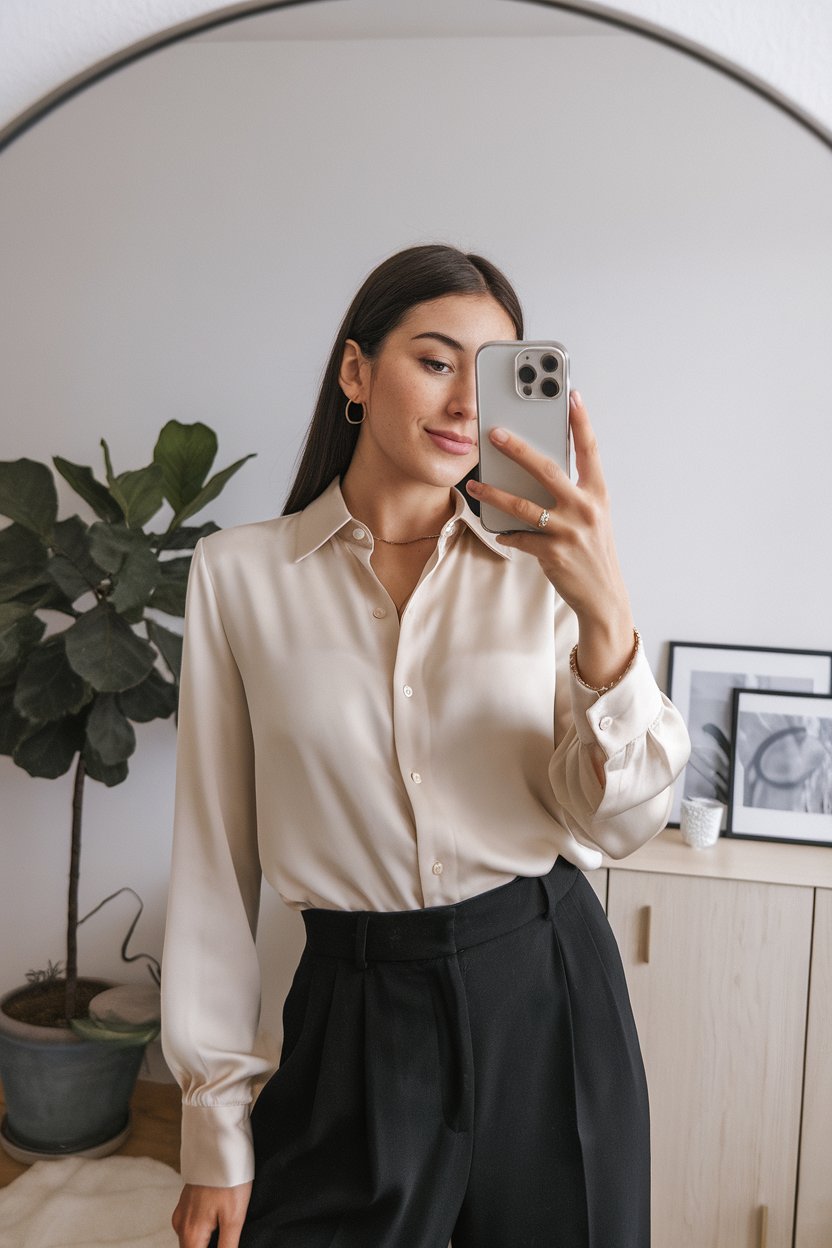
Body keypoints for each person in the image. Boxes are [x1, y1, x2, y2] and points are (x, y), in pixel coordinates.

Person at [161, 243, 691, 1248]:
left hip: (544, 988)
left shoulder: (546, 572)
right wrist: (213, 1128)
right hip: (352, 1008)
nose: (464, 405)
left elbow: (621, 824)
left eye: (494, 374)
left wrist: (606, 615)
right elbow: (213, 863)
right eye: (436, 361)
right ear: (356, 371)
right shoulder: (237, 578)